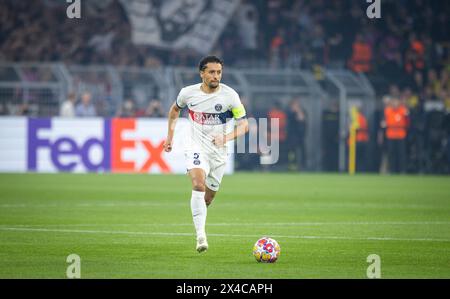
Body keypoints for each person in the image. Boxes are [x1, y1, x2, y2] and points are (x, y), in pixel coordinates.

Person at [163, 56, 249, 253]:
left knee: (207, 199)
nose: (215, 76)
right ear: (202, 73)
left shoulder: (230, 96)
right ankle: (201, 236)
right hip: (195, 146)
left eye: (218, 72)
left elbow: (244, 126)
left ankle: (199, 219)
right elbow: (174, 111)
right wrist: (170, 137)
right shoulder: (188, 93)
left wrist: (225, 138)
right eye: (211, 72)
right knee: (197, 184)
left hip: (219, 153)